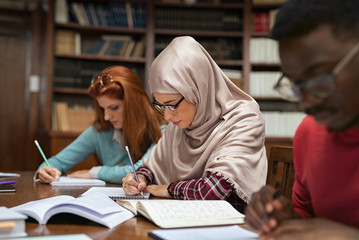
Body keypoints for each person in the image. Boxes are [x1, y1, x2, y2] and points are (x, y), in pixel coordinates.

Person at [245, 0, 359, 239]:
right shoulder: (309, 133)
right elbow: (307, 213)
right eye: (296, 85)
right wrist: (285, 218)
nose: (307, 102)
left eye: (319, 79)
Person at [122, 36, 267, 213]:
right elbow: (154, 166)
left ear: (199, 89)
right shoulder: (182, 123)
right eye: (161, 106)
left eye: (172, 103)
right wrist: (140, 178)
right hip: (185, 220)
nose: (167, 115)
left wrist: (168, 189)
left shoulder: (245, 118)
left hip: (235, 226)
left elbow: (214, 190)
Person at [36, 66, 166, 184]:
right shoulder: (99, 131)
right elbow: (58, 162)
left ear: (134, 104)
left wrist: (95, 173)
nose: (106, 117)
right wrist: (45, 171)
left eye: (114, 107)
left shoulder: (162, 129)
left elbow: (141, 170)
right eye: (103, 109)